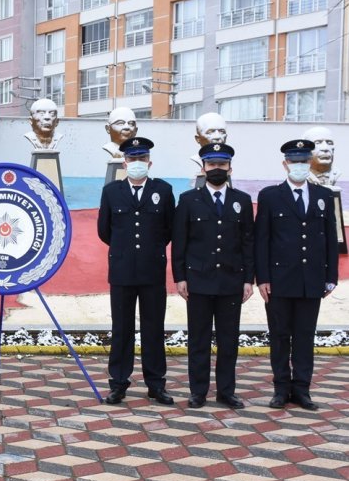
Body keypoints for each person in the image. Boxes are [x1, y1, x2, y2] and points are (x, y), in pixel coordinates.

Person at [255, 139, 338, 411]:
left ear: (309, 163)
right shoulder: (270, 196)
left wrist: (331, 276)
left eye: (303, 161)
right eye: (294, 161)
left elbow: (330, 238)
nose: (299, 166)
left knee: (304, 336)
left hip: (310, 280)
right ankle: (281, 389)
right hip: (279, 281)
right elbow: (262, 240)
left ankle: (302, 390)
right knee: (279, 336)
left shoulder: (324, 196)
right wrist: (262, 278)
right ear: (285, 164)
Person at [172, 143, 254, 409]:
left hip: (231, 281)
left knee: (229, 340)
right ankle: (198, 391)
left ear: (230, 167)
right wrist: (180, 277)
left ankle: (226, 392)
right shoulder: (188, 200)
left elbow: (247, 243)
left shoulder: (241, 200)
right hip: (198, 281)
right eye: (211, 165)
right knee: (198, 340)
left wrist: (248, 279)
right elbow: (180, 242)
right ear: (203, 167)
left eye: (221, 165)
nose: (216, 169)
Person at [97, 137, 175, 405]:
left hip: (152, 271)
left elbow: (168, 229)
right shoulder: (111, 191)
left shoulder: (163, 190)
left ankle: (156, 384)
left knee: (154, 329)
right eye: (133, 159)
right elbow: (104, 231)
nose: (137, 163)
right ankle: (118, 383)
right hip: (121, 271)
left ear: (149, 162)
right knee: (122, 329)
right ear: (125, 162)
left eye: (142, 159)